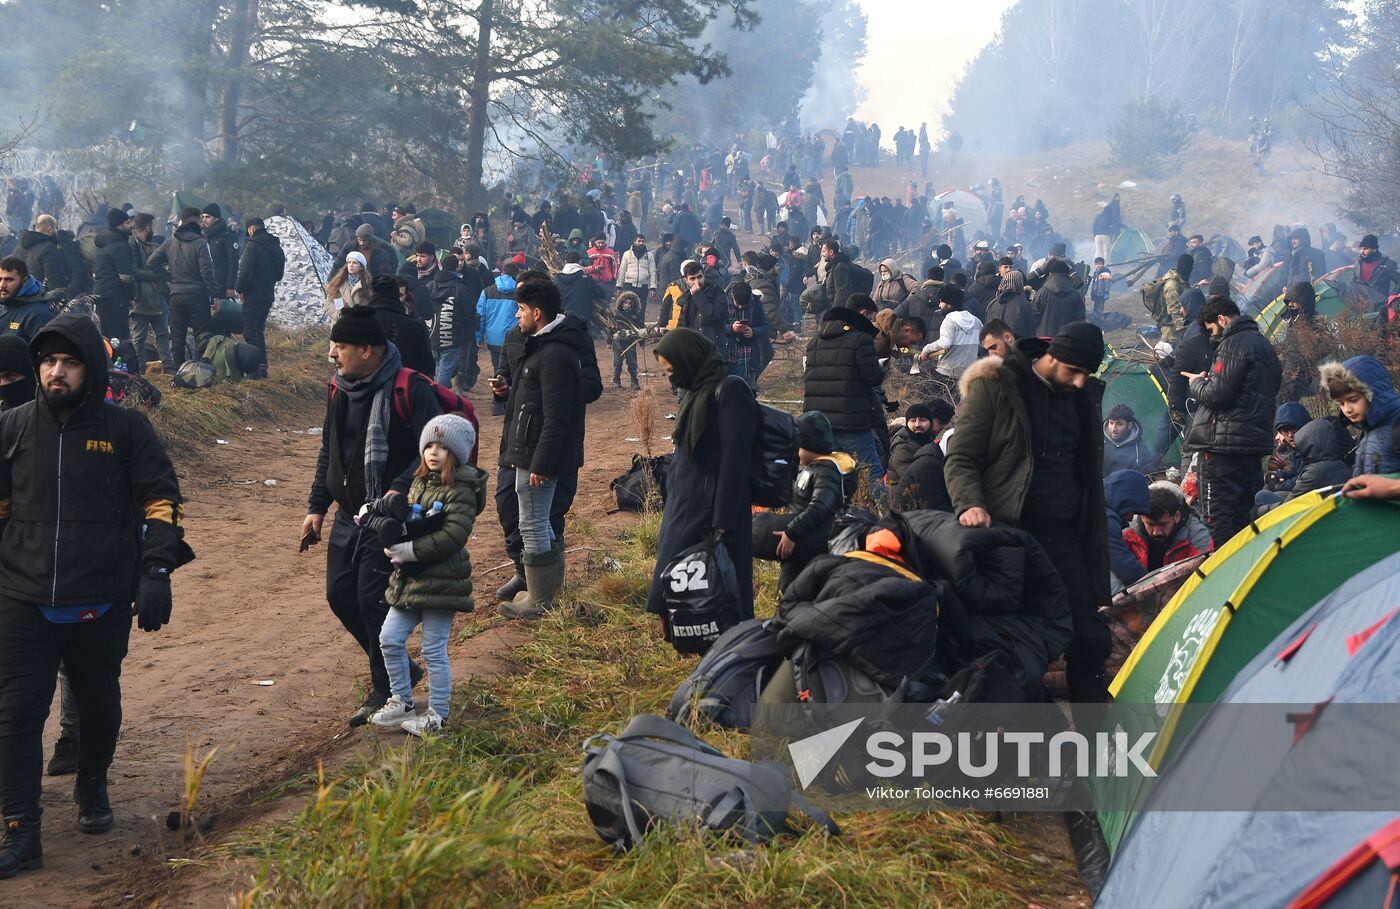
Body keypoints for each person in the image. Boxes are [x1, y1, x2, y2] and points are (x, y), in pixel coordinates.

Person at [0, 315, 190, 878]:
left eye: (70, 362)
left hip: (101, 595)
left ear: (93, 368)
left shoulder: (127, 430)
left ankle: (91, 784)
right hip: (22, 594)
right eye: (48, 362)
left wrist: (156, 569)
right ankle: (19, 828)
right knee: (15, 713)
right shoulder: (11, 428)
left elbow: (162, 499)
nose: (57, 372)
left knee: (97, 702)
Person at [944, 321, 1113, 703]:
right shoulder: (998, 388)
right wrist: (970, 504)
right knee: (1014, 643)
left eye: (1088, 374)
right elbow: (961, 458)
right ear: (1053, 359)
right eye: (1075, 372)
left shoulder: (1082, 398)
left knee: (1089, 636)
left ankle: (1095, 741)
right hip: (1012, 536)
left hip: (1068, 537)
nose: (1081, 382)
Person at [303, 307, 442, 726]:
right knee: (339, 594)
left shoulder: (411, 390)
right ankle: (402, 672)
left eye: (340, 346)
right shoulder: (339, 388)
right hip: (349, 513)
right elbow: (330, 450)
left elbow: (434, 453)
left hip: (386, 518)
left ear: (367, 349)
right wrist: (315, 507)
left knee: (370, 598)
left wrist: (399, 488)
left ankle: (388, 689)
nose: (332, 354)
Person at [364, 414, 486, 737]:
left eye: (442, 447)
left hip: (443, 581)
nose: (433, 452)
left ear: (456, 453)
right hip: (411, 580)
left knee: (433, 649)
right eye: (428, 445)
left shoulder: (462, 488)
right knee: (389, 638)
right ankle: (402, 699)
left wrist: (410, 551)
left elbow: (453, 535)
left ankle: (438, 715)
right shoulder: (419, 482)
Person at [645, 329, 756, 636]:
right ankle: (688, 633)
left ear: (690, 359)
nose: (672, 378)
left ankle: (732, 644)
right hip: (685, 501)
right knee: (680, 574)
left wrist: (723, 521)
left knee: (723, 582)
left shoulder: (731, 390)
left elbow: (736, 461)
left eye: (672, 370)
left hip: (714, 505)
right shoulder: (695, 389)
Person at [495, 279, 585, 619]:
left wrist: (541, 463)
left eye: (520, 309)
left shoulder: (554, 353)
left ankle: (540, 599)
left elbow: (558, 418)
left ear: (537, 312)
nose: (516, 315)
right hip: (527, 451)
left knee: (532, 523)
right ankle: (549, 592)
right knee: (539, 524)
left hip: (536, 455)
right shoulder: (542, 346)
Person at [1181, 296, 1282, 547]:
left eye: (1212, 330)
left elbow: (1217, 394)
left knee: (1217, 520)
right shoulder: (1264, 345)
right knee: (1244, 517)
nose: (1212, 336)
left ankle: (1219, 579)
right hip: (1252, 445)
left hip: (1222, 447)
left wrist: (1197, 383)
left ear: (1222, 319)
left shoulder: (1232, 344)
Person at [752, 411, 847, 594]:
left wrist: (793, 532)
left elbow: (821, 505)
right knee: (787, 585)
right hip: (798, 542)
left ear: (808, 445)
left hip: (810, 539)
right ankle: (783, 612)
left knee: (802, 585)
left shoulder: (827, 471)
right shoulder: (809, 468)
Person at [802, 301, 886, 494]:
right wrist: (882, 369)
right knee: (870, 470)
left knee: (829, 472)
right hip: (852, 419)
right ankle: (886, 516)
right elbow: (873, 377)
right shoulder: (860, 339)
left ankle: (835, 512)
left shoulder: (814, 341)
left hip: (820, 422)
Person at [145, 207, 218, 367]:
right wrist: (214, 293)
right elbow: (207, 272)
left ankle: (177, 372)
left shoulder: (169, 242)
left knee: (177, 336)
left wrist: (168, 277)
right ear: (195, 221)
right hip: (198, 297)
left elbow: (151, 263)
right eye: (200, 220)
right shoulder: (200, 243)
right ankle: (200, 370)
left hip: (176, 296)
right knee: (202, 336)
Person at [1319, 356, 1400, 476]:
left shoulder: (1396, 427)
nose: (1347, 409)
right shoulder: (1367, 432)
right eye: (1341, 403)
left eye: (1353, 400)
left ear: (1373, 394)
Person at [1122, 481, 1213, 573]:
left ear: (1177, 516)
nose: (1156, 532)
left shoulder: (1196, 536)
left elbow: (1206, 572)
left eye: (1163, 524)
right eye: (1150, 524)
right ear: (1141, 517)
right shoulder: (1127, 533)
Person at [235, 216, 285, 378]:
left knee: (250, 332)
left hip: (252, 295)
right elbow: (279, 275)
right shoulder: (276, 247)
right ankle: (263, 366)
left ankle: (254, 369)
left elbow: (244, 270)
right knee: (259, 331)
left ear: (251, 229)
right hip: (267, 295)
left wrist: (239, 289)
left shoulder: (252, 246)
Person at [917, 284, 982, 396]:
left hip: (947, 373)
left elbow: (945, 343)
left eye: (941, 301)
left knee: (924, 396)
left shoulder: (950, 319)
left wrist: (926, 350)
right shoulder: (976, 321)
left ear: (949, 304)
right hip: (968, 375)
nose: (939, 305)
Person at [128, 213, 173, 374]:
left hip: (158, 298)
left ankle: (168, 371)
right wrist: (157, 275)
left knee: (161, 335)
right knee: (139, 339)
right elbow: (134, 272)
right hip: (142, 299)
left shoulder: (154, 246)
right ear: (148, 227)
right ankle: (139, 373)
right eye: (152, 226)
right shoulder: (132, 244)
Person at [365, 275, 435, 377]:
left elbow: (426, 363)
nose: (398, 299)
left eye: (401, 295)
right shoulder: (363, 322)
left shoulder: (415, 322)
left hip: (404, 382)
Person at [91, 208, 137, 341]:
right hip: (115, 295)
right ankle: (122, 361)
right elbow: (126, 277)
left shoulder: (100, 243)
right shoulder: (120, 245)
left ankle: (109, 361)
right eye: (128, 223)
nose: (131, 226)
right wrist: (131, 297)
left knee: (107, 335)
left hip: (100, 293)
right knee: (120, 336)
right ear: (120, 225)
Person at [886, 401, 952, 487]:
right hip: (905, 496)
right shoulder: (902, 447)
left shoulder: (927, 441)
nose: (917, 425)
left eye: (923, 420)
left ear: (930, 422)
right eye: (913, 421)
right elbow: (914, 479)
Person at [1104, 470, 1152, 590]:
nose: (1131, 518)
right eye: (1131, 511)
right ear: (1123, 500)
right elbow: (1124, 565)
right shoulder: (1105, 519)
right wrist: (1152, 586)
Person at [0, 257, 55, 343]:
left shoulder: (39, 314)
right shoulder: (2, 306)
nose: (2, 285)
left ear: (24, 281)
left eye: (9, 279)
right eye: (0, 279)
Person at [1265, 402, 1310, 493]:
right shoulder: (1290, 449)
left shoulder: (1312, 444)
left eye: (1294, 428)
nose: (1290, 434)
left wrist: (1279, 485)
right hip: (1298, 488)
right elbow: (1296, 470)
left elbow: (1308, 477)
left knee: (1263, 495)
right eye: (1284, 430)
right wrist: (1276, 474)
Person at [18, 214, 69, 293]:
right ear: (50, 229)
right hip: (40, 298)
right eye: (56, 228)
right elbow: (52, 279)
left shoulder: (19, 248)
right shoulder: (49, 248)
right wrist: (59, 298)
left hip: (21, 295)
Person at [1102, 404, 1157, 475]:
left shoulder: (1141, 450)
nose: (1113, 429)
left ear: (1129, 425)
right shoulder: (1100, 441)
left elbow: (1146, 476)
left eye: (1119, 424)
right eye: (1111, 423)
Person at [200, 204, 240, 301]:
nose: (204, 220)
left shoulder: (227, 237)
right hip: (203, 285)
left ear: (216, 219)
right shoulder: (202, 237)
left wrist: (230, 285)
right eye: (203, 217)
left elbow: (233, 263)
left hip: (220, 285)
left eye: (208, 217)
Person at [985, 270, 1036, 339]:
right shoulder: (1023, 304)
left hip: (996, 344)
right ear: (1019, 283)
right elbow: (1031, 330)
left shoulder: (992, 304)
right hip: (1017, 346)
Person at [617, 233, 657, 322]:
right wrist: (619, 286)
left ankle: (640, 328)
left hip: (643, 286)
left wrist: (653, 287)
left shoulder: (649, 255)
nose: (641, 243)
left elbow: (653, 271)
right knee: (627, 307)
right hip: (629, 285)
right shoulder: (627, 254)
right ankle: (625, 327)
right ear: (634, 241)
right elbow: (622, 270)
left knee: (641, 309)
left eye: (642, 241)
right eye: (639, 241)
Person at [611, 290, 644, 389]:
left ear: (633, 304)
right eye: (625, 303)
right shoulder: (616, 315)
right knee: (618, 362)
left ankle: (634, 382)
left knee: (632, 362)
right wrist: (609, 341)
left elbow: (640, 329)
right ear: (621, 303)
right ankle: (616, 380)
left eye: (630, 303)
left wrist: (642, 341)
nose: (627, 305)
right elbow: (611, 328)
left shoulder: (636, 316)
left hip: (631, 341)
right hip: (618, 341)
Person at [1352, 234, 1397, 305]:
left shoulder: (1387, 264)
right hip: (1361, 306)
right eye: (1361, 248)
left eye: (1365, 249)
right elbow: (1351, 284)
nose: (1362, 251)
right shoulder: (1358, 264)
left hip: (1380, 305)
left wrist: (1391, 298)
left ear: (1374, 249)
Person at [326, 251, 371, 315]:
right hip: (340, 322)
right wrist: (339, 314)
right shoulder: (338, 283)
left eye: (354, 263)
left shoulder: (367, 285)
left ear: (361, 267)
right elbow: (328, 304)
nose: (351, 265)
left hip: (359, 321)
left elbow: (371, 305)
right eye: (349, 262)